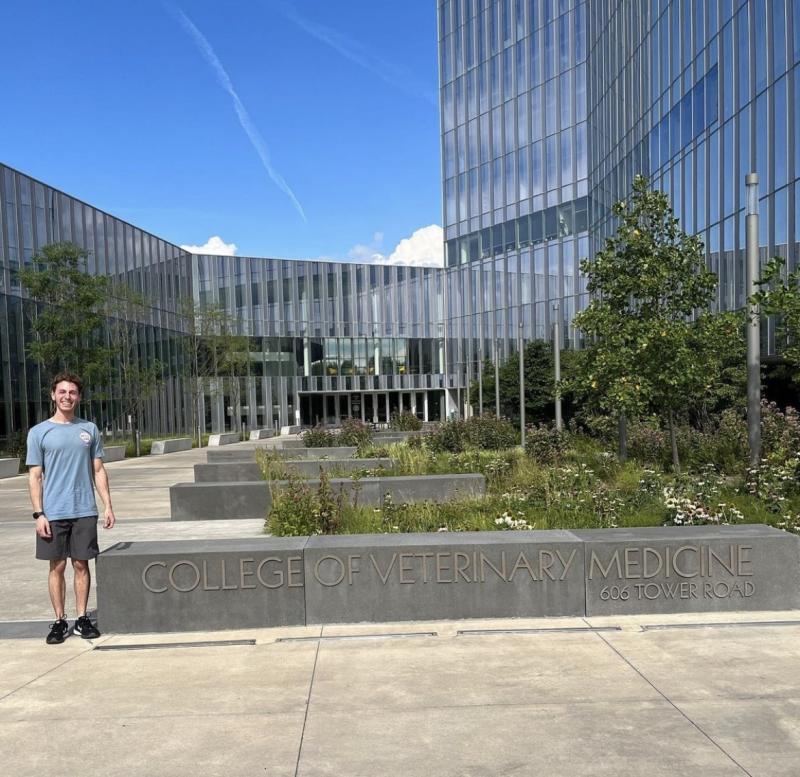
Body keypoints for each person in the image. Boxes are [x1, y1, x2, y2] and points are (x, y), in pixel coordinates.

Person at [26, 372, 115, 644]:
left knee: (81, 564)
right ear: (53, 395)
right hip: (53, 512)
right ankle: (59, 620)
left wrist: (108, 506)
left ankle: (81, 619)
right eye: (62, 391)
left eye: (72, 392)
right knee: (57, 566)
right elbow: (35, 476)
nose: (67, 396)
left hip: (84, 509)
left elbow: (98, 470)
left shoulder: (89, 429)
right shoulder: (39, 432)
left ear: (79, 397)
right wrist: (39, 514)